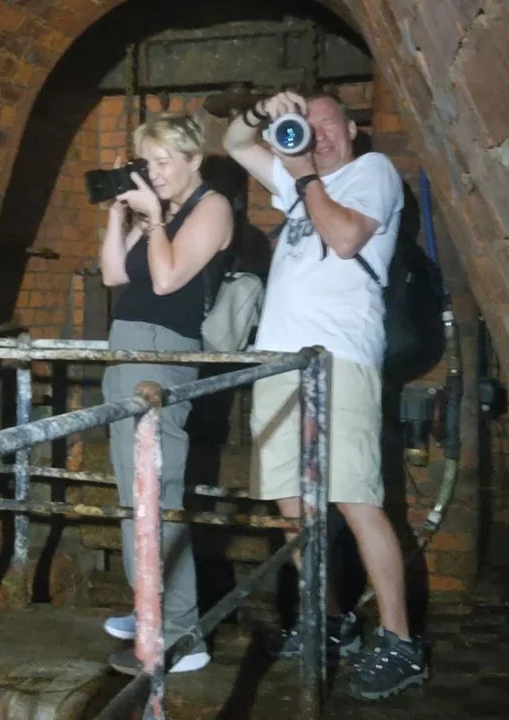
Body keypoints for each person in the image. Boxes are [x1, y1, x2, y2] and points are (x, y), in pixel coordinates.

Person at [223, 90, 429, 700]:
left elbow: (343, 239)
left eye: (328, 124)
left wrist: (304, 173)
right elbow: (234, 142)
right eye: (305, 128)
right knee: (291, 505)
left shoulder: (373, 173)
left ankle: (400, 641)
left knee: (356, 500)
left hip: (340, 359)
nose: (318, 136)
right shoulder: (296, 181)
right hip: (280, 363)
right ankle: (332, 619)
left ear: (352, 127)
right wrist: (265, 114)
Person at [99, 113, 234, 675]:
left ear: (193, 160)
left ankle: (180, 634)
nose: (153, 172)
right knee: (135, 495)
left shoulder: (212, 207)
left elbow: (166, 280)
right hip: (127, 348)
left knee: (157, 493)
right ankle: (148, 607)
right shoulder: (164, 212)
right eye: (146, 161)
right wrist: (120, 215)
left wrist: (154, 221)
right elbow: (113, 275)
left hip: (161, 353)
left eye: (163, 161)